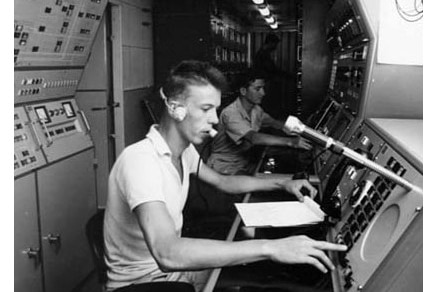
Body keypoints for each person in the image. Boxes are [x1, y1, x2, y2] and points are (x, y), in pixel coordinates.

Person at [103, 60, 346, 292]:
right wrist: (271, 247)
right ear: (175, 108)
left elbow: (224, 181)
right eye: (206, 109)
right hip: (145, 284)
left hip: (172, 273)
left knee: (270, 276)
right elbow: (167, 252)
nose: (214, 119)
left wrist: (284, 183)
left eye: (216, 109)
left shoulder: (183, 151)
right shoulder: (140, 161)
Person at [207, 69, 312, 175]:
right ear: (243, 91)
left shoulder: (256, 110)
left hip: (243, 162)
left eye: (263, 88)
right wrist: (292, 142)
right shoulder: (230, 113)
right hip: (224, 167)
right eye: (258, 89)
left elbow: (274, 122)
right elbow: (253, 138)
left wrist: (302, 130)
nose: (263, 93)